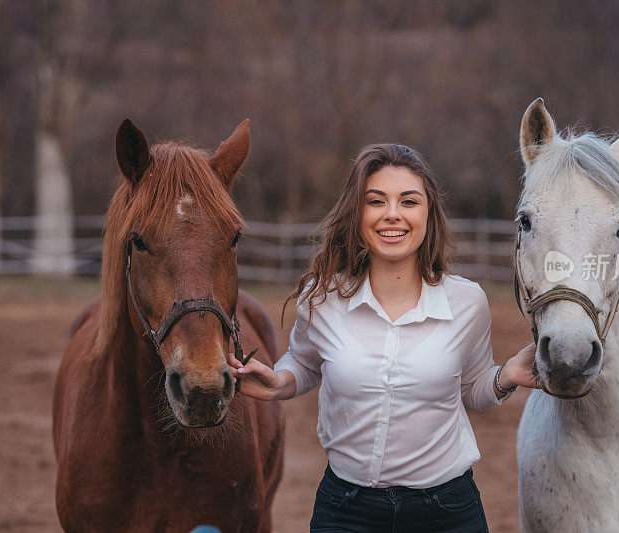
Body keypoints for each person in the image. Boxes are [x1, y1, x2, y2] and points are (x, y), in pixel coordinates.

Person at [228, 143, 539, 532]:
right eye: (376, 201)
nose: (393, 214)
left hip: (446, 511)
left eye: (409, 201)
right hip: (346, 511)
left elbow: (472, 389)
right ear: (358, 213)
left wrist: (506, 374)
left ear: (428, 213)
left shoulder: (467, 303)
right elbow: (305, 362)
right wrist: (279, 382)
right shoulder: (321, 297)